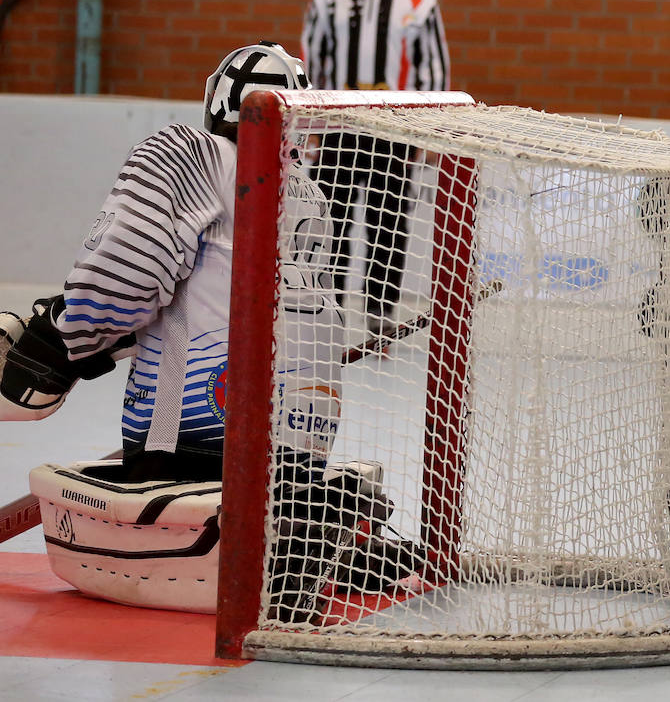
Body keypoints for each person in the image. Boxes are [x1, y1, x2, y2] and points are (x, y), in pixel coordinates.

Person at [0, 42, 418, 618]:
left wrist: (63, 336)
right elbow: (203, 294)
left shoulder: (190, 156)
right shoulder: (308, 190)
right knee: (280, 473)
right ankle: (304, 518)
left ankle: (239, 537)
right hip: (301, 435)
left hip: (190, 433)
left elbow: (121, 281)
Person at [301, 0, 451, 335]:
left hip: (395, 130)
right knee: (330, 222)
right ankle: (324, 309)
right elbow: (311, 65)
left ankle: (378, 318)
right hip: (338, 128)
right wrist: (310, 127)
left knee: (388, 226)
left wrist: (431, 133)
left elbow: (434, 71)